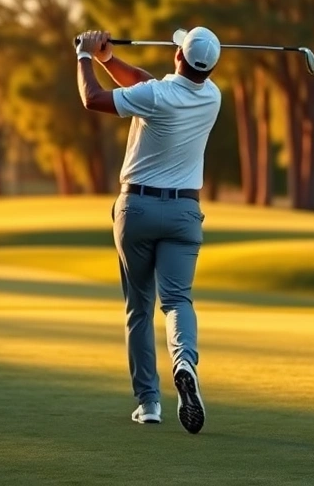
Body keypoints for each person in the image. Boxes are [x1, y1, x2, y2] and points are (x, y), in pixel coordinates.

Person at [74, 27, 222, 434]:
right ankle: (184, 360)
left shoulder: (156, 97)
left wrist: (85, 56)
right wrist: (108, 60)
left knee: (139, 308)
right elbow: (143, 84)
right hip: (183, 214)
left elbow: (93, 99)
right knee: (177, 301)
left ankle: (149, 403)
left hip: (137, 209)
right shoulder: (213, 97)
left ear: (177, 56)